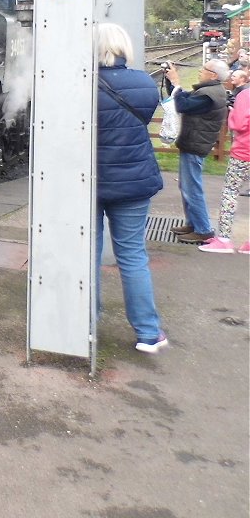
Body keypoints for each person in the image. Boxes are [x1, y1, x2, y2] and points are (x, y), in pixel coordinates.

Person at [95, 23, 167, 353]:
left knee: (87, 255)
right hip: (135, 180)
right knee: (133, 256)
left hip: (90, 182)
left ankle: (86, 321)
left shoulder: (81, 83)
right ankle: (149, 333)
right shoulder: (144, 82)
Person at [164, 58, 230, 243]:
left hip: (195, 145)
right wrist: (171, 81)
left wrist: (177, 82)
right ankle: (193, 224)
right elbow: (182, 98)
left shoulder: (209, 95)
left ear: (213, 75)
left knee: (192, 188)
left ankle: (203, 229)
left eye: (204, 69)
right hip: (193, 143)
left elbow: (182, 105)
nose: (200, 71)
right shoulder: (210, 92)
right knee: (186, 186)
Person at [204, 70, 250, 252]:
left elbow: (239, 125)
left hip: (244, 152)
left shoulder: (245, 95)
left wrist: (232, 112)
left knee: (230, 192)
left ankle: (223, 239)